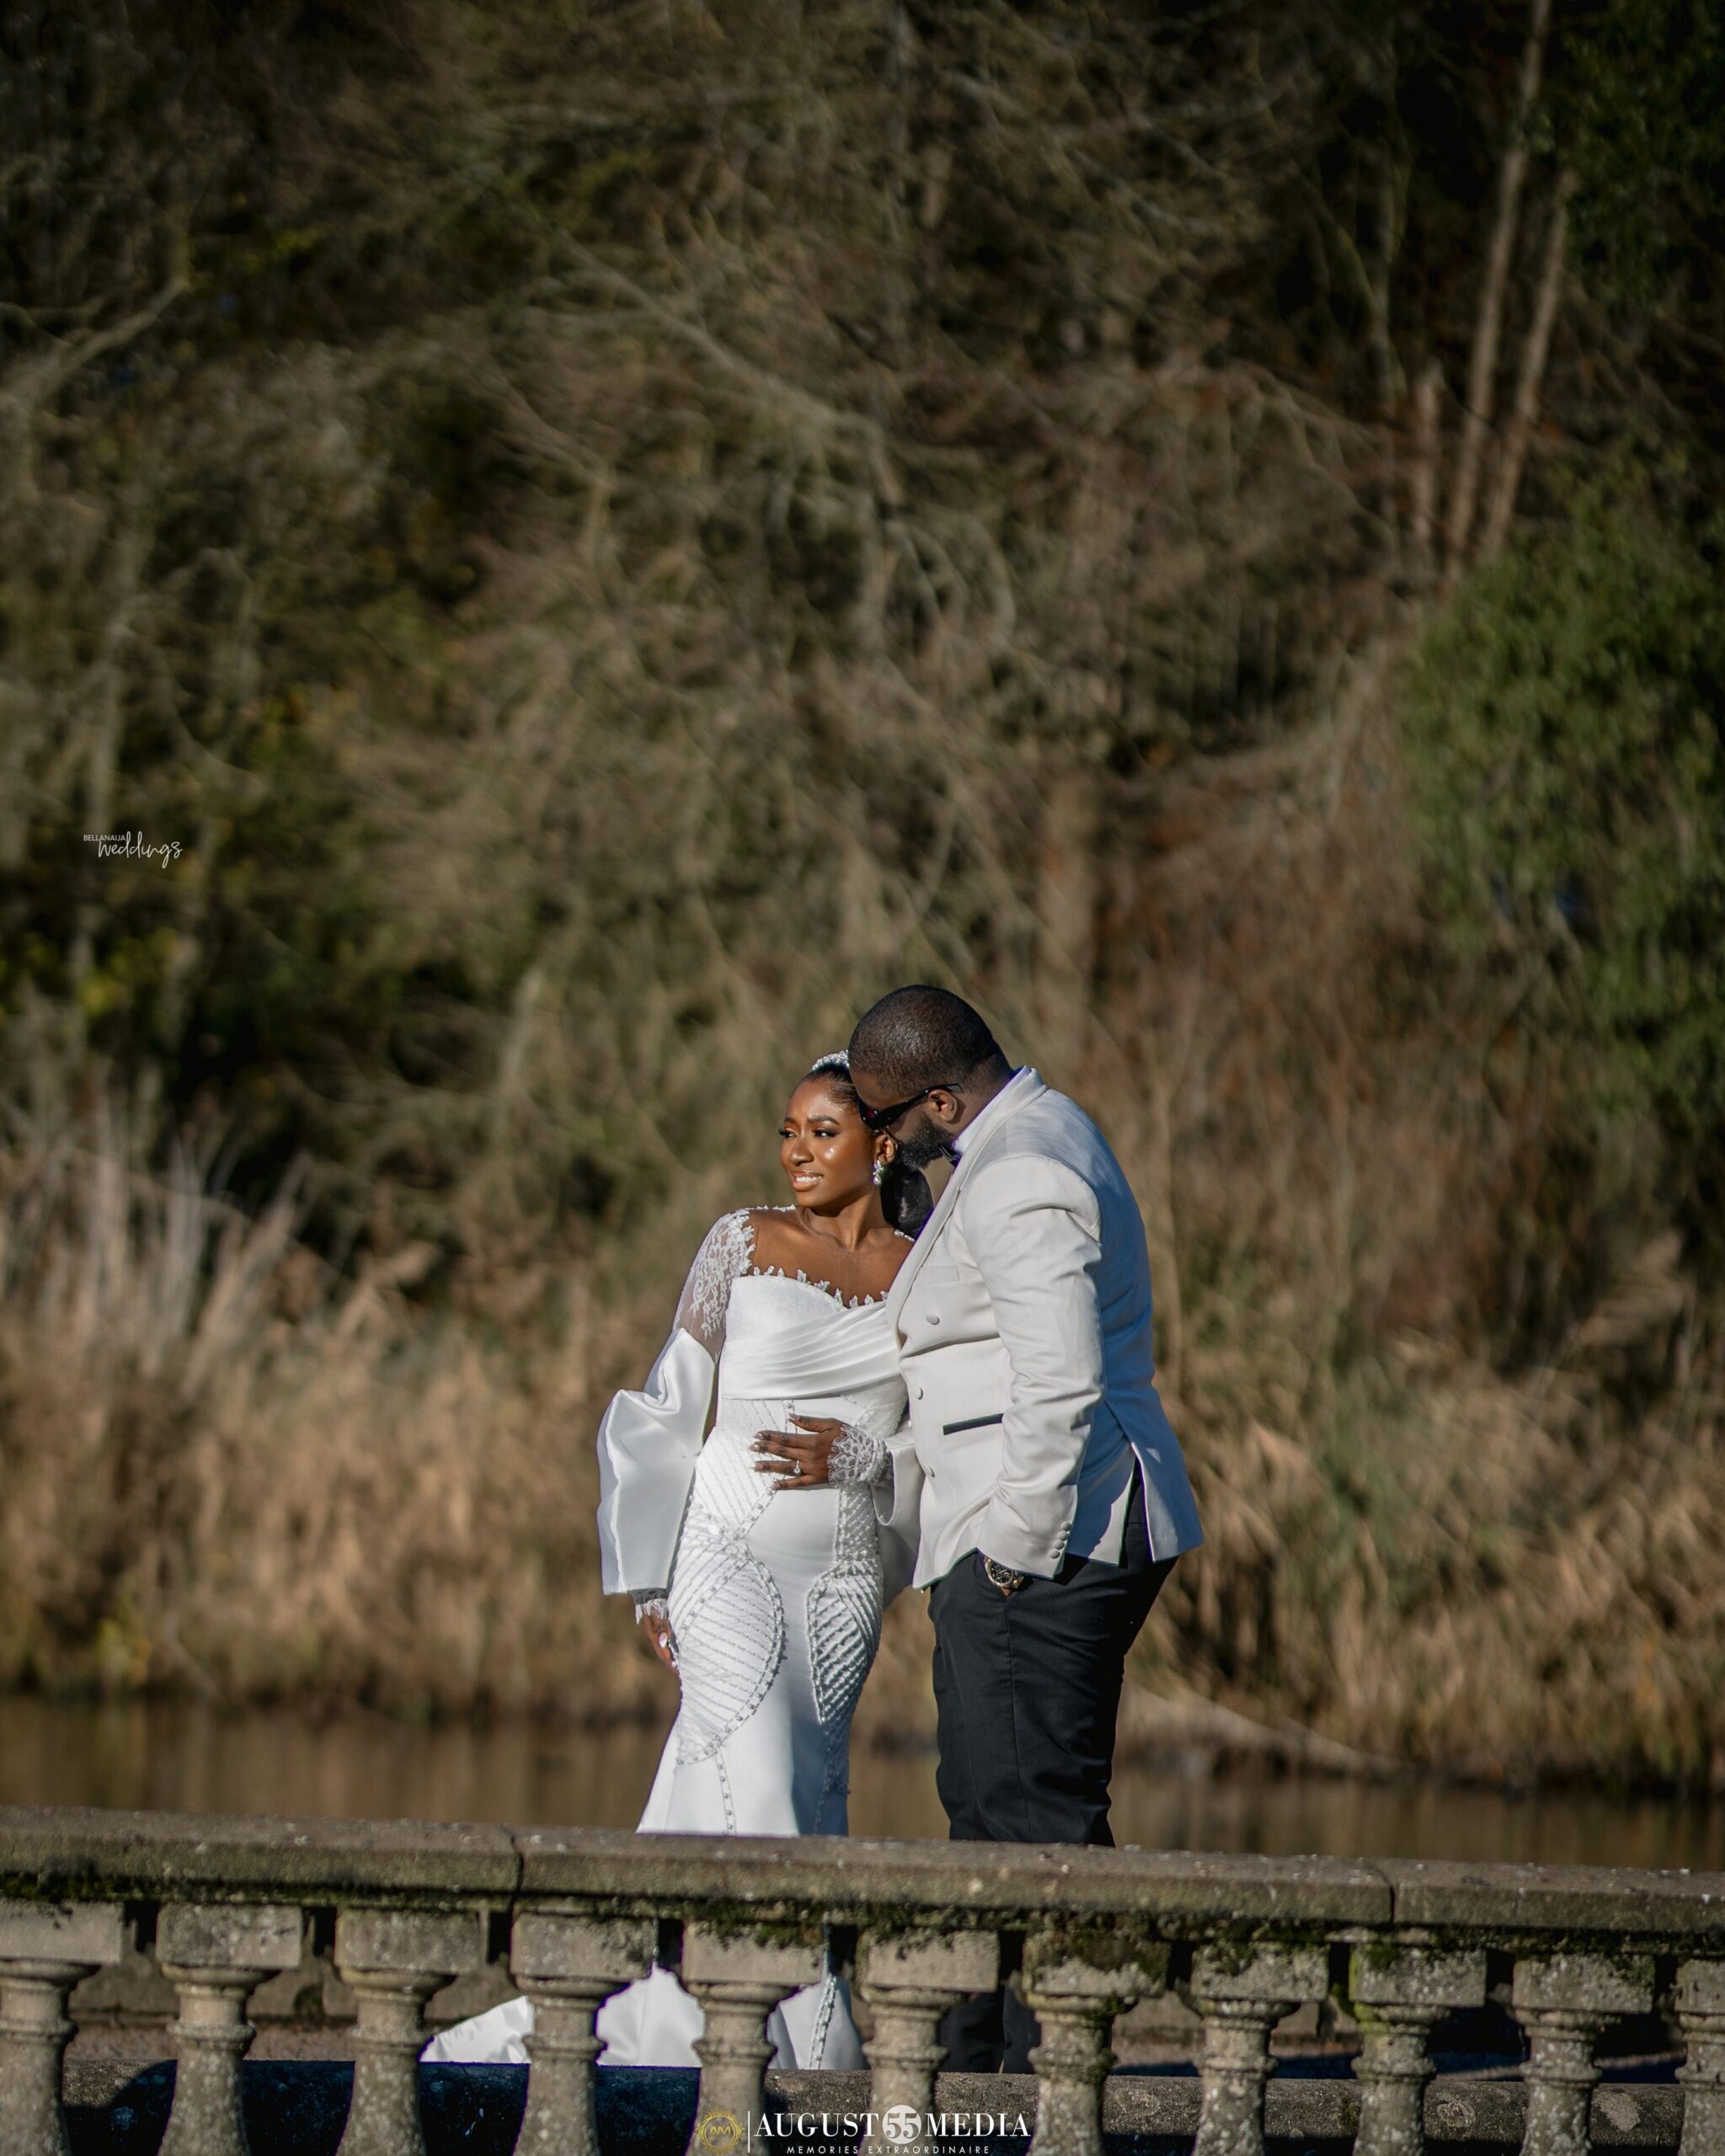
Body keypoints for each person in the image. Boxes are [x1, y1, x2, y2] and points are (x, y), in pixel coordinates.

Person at [423, 1051, 926, 2072]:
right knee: (755, 1771)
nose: (795, 1151)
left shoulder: (925, 1271)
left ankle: (693, 2019)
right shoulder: (740, 1241)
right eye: (786, 1131)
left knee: (804, 1794)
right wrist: (648, 1571)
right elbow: (665, 1403)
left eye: (821, 1132)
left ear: (879, 1147)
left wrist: (872, 1459)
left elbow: (954, 1430)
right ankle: (760, 2039)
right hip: (723, 1556)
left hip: (841, 1581)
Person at [846, 985, 1204, 2074]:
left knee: (1030, 1821)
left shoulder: (1022, 1171)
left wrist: (1011, 1552)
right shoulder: (1019, 1143)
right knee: (990, 1806)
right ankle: (989, 2073)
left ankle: (1044, 2085)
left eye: (887, 1120)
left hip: (1049, 1541)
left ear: (942, 1101)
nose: (879, 1144)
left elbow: (1059, 1381)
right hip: (1039, 1535)